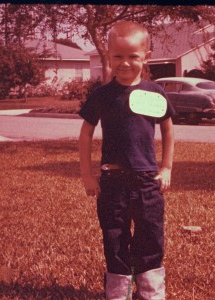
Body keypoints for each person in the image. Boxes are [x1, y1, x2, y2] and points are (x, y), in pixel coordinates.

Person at [79, 21, 175, 300]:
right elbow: (86, 133)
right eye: (118, 56)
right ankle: (118, 292)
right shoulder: (102, 95)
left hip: (147, 181)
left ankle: (150, 292)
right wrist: (87, 174)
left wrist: (166, 167)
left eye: (133, 56)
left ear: (146, 56)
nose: (125, 63)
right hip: (113, 181)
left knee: (150, 237)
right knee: (115, 236)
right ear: (108, 55)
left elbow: (168, 129)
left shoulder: (154, 93)